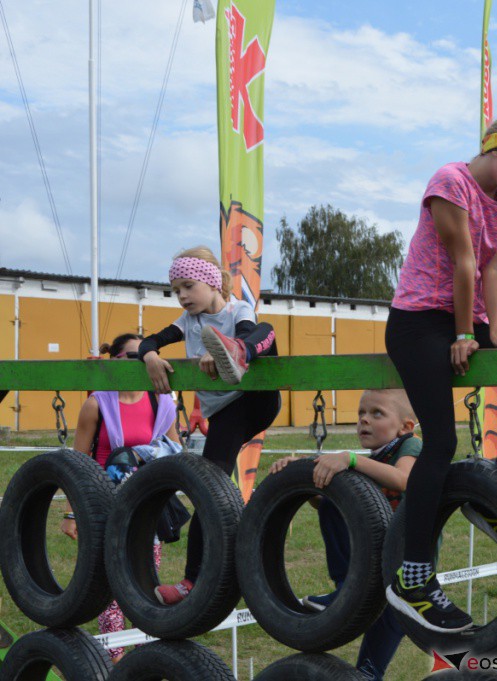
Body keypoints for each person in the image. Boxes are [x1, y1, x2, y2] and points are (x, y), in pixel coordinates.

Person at [384, 109, 497, 633]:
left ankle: (495, 489)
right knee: (439, 444)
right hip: (420, 321)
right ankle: (413, 580)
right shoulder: (451, 180)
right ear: (496, 146)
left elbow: (494, 267)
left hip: (468, 319)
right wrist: (465, 334)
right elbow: (463, 260)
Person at [136, 246, 281, 605]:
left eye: (188, 286)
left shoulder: (237, 310)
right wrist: (151, 356)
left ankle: (237, 353)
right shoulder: (187, 323)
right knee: (208, 491)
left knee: (266, 331)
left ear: (212, 283)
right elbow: (150, 341)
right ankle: (193, 582)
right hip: (224, 413)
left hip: (254, 400)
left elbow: (255, 329)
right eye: (175, 290)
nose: (182, 296)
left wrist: (237, 347)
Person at [270, 389, 419, 681]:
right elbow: (327, 504)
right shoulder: (375, 458)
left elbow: (403, 480)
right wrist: (298, 473)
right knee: (331, 505)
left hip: (406, 566)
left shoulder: (411, 446)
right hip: (380, 567)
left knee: (387, 628)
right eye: (361, 413)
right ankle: (346, 589)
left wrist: (351, 459)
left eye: (377, 413)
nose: (364, 420)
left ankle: (347, 594)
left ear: (405, 427)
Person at [66, 333, 179, 662]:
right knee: (110, 587)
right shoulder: (96, 404)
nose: (140, 361)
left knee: (145, 583)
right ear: (114, 361)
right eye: (131, 356)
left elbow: (175, 452)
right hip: (105, 507)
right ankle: (115, 659)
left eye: (145, 355)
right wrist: (73, 513)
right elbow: (77, 462)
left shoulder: (163, 403)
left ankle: (144, 658)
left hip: (147, 507)